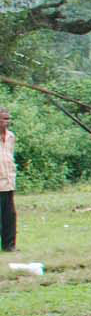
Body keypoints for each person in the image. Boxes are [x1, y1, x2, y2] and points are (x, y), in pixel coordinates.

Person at [0, 107, 16, 251]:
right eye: (4, 119)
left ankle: (9, 246)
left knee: (9, 217)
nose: (7, 122)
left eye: (8, 119)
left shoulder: (11, 137)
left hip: (8, 182)